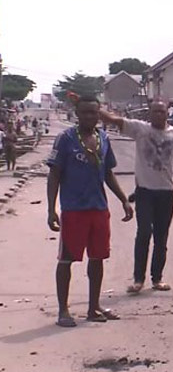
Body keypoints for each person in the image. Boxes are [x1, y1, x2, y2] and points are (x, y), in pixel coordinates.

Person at [97, 101, 173, 294]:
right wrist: (90, 106)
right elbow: (112, 119)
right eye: (154, 111)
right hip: (145, 191)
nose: (158, 115)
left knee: (161, 238)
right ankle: (139, 279)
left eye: (161, 112)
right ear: (150, 113)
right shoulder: (140, 129)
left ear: (167, 114)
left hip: (166, 192)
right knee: (144, 233)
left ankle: (157, 279)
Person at [46, 95, 134, 328]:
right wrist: (51, 208)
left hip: (99, 208)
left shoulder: (103, 138)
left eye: (94, 112)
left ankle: (93, 307)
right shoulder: (64, 139)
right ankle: (63, 310)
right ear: (77, 114)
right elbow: (54, 174)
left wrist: (124, 199)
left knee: (97, 258)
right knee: (66, 260)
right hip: (74, 209)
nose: (90, 117)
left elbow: (108, 173)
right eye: (85, 112)